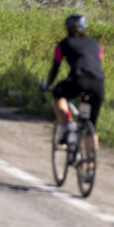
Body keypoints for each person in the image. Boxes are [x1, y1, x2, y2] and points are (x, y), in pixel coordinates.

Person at [39, 14, 104, 156]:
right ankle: (91, 165)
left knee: (58, 93)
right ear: (85, 28)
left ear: (67, 28)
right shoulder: (96, 44)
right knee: (92, 125)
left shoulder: (63, 44)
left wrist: (48, 84)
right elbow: (97, 60)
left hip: (78, 80)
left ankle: (66, 127)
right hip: (98, 83)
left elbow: (55, 67)